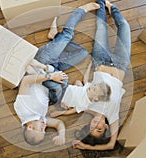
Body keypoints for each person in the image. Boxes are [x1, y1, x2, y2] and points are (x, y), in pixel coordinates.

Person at [14, 2, 101, 145]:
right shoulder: (39, 119)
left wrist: (51, 76)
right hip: (52, 72)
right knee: (83, 53)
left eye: (40, 130)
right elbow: (58, 123)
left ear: (30, 127)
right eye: (44, 131)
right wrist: (62, 135)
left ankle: (81, 10)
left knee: (67, 35)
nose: (44, 128)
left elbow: (25, 81)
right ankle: (54, 36)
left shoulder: (23, 109)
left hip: (41, 63)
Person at [51, 0, 131, 150]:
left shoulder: (88, 107)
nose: (95, 125)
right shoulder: (113, 115)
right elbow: (111, 145)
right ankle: (111, 7)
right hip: (121, 65)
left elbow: (74, 108)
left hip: (100, 61)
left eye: (92, 128)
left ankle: (101, 2)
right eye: (99, 129)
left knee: (101, 26)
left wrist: (60, 113)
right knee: (124, 27)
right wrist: (89, 148)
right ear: (106, 127)